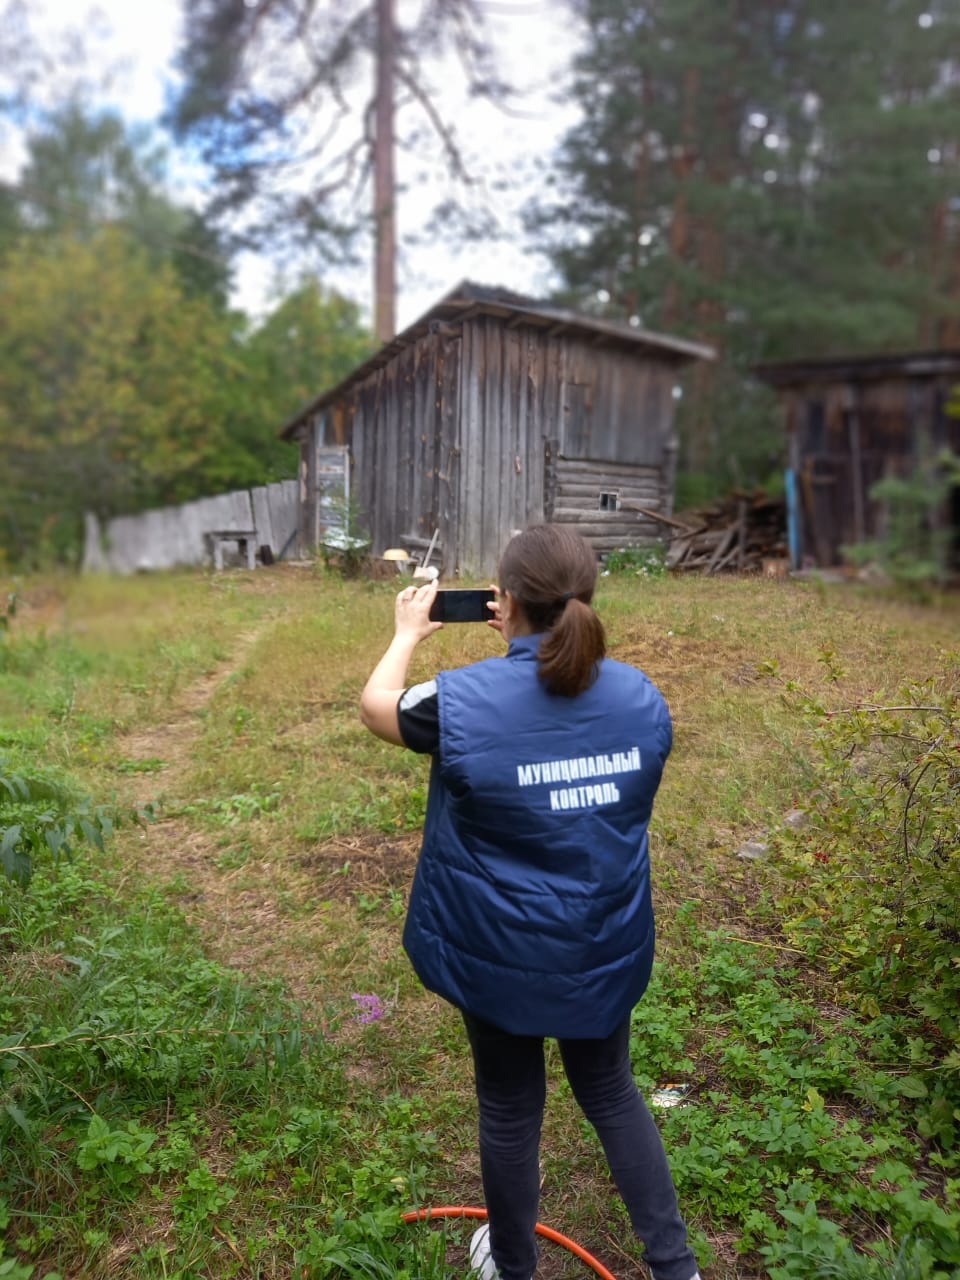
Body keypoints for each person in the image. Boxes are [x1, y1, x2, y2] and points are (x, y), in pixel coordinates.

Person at [359, 525, 701, 1280]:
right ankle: (678, 1268)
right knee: (612, 1091)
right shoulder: (644, 700)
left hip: (500, 958)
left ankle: (514, 1269)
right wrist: (526, 638)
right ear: (587, 603)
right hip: (599, 949)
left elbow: (377, 705)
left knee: (511, 1109)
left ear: (504, 602)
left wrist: (407, 632)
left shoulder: (455, 703)